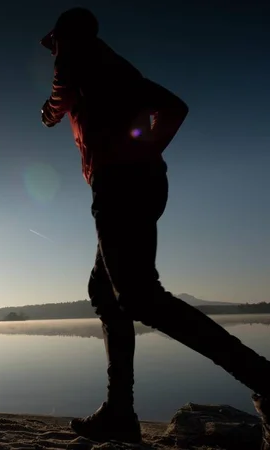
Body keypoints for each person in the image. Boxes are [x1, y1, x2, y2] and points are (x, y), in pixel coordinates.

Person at [39, 7, 270, 448]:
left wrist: (132, 151)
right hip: (131, 183)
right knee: (105, 292)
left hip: (122, 184)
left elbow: (58, 111)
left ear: (67, 39)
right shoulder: (106, 67)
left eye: (57, 44)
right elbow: (166, 107)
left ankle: (264, 378)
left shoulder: (84, 61)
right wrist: (139, 150)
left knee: (140, 297)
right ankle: (119, 413)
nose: (55, 53)